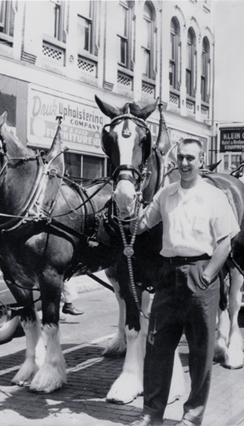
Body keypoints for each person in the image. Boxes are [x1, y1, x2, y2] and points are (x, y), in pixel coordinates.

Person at [131, 139, 240, 426]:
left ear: (201, 161)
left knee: (200, 351)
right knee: (156, 347)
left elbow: (225, 243)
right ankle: (151, 414)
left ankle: (192, 417)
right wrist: (126, 204)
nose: (185, 163)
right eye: (180, 157)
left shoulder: (214, 197)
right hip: (168, 275)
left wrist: (206, 275)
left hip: (201, 274)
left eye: (191, 158)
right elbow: (141, 225)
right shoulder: (166, 194)